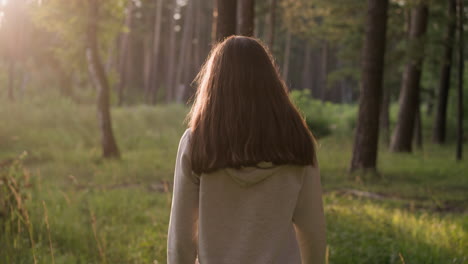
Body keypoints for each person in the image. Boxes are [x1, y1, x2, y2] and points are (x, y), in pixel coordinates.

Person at [167, 36, 326, 264]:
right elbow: (313, 231)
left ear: (215, 83)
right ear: (270, 82)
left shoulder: (197, 142)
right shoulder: (298, 142)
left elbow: (181, 238)